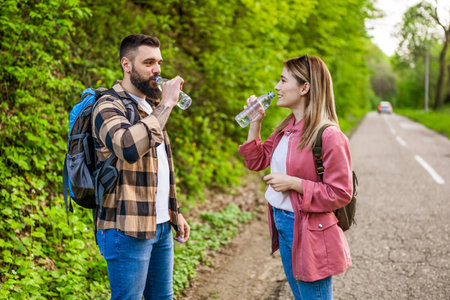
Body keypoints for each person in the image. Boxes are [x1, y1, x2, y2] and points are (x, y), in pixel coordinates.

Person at [238, 55, 352, 300]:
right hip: (284, 223)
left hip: (311, 230)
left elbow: (342, 192)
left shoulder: (329, 135)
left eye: (282, 80)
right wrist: (255, 123)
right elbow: (256, 161)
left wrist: (295, 184)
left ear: (305, 87)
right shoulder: (286, 127)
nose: (276, 87)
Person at [91, 34, 190, 300]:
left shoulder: (151, 106)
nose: (157, 70)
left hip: (160, 227)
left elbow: (161, 166)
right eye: (148, 62)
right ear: (126, 64)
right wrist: (168, 103)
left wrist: (174, 211)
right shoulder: (107, 105)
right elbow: (127, 147)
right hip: (126, 227)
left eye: (159, 62)